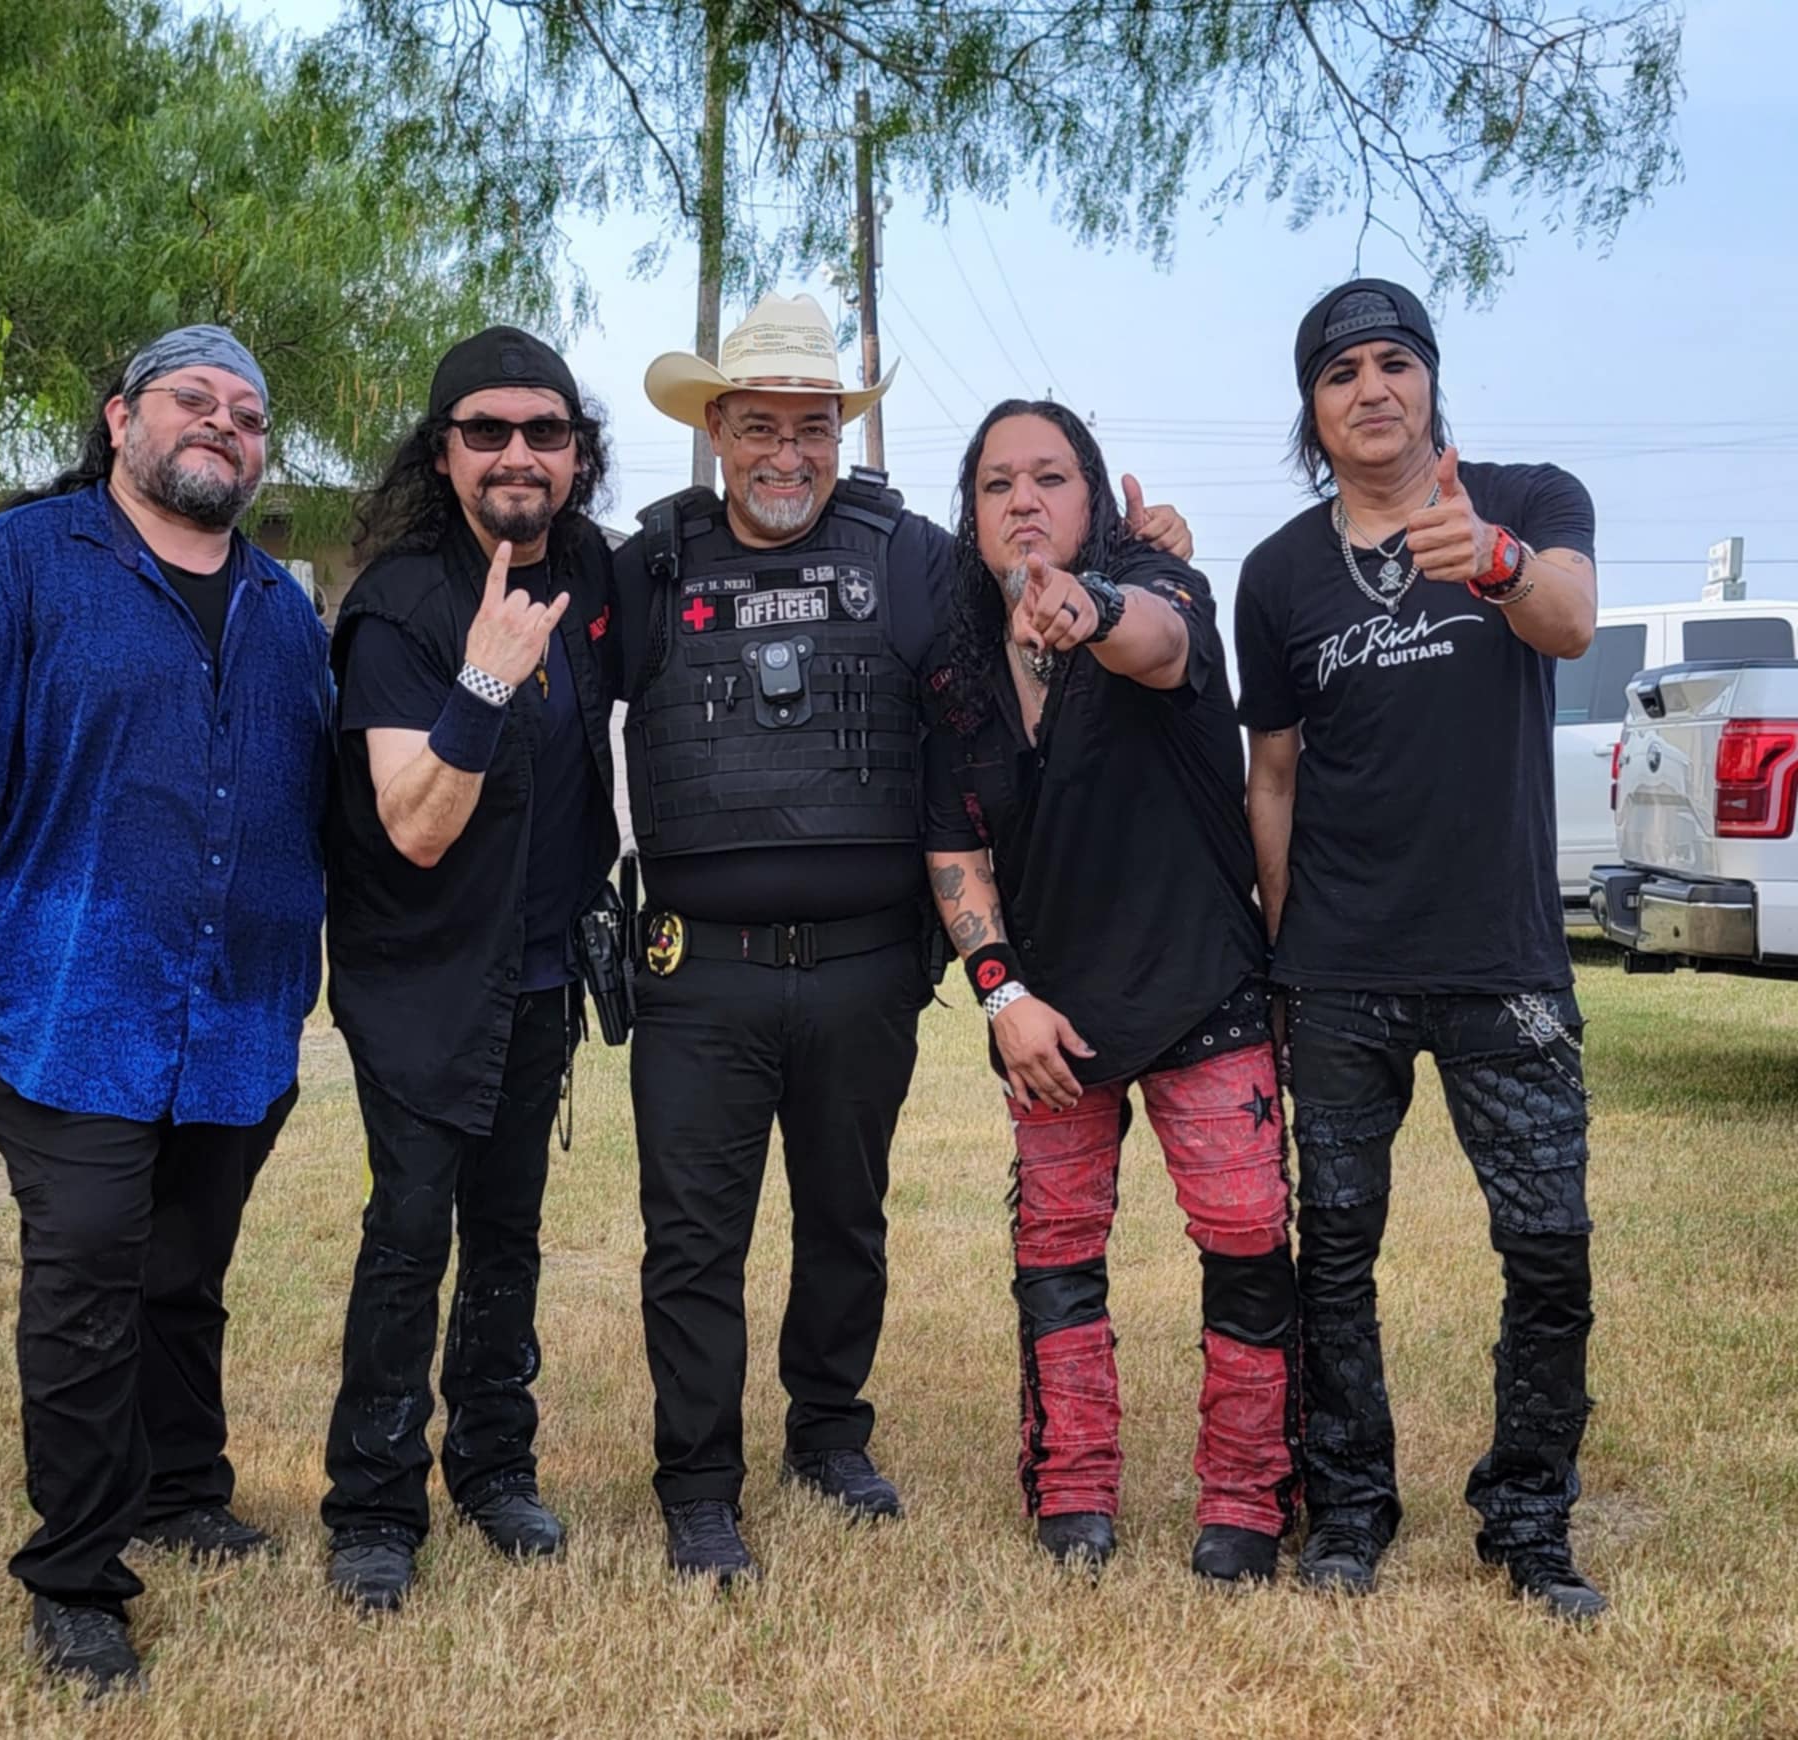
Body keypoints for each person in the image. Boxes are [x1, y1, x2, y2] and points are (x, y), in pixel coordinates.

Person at [616, 294, 1193, 1584]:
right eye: (758, 427)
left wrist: (1141, 550)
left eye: (811, 428)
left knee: (845, 1220)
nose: (785, 454)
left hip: (865, 968)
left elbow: (1025, 591)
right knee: (693, 1242)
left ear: (838, 434)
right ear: (715, 431)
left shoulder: (909, 554)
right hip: (696, 976)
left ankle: (827, 1435)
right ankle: (698, 1485)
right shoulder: (647, 562)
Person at [0, 326, 330, 1695]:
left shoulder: (285, 609)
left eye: (249, 414)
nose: (224, 425)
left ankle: (181, 1489)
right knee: (86, 1279)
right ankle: (75, 1581)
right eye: (195, 400)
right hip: (65, 1001)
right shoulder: (19, 562)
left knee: (185, 1269)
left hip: (237, 1015)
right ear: (122, 416)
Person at [1234, 278, 1605, 1620]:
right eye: (1339, 373)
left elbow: (1571, 619)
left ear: (1431, 379)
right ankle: (1349, 1508)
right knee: (1335, 1254)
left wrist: (1493, 561)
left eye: (1394, 361)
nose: (1371, 388)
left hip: (1506, 962)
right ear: (1313, 411)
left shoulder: (1527, 500)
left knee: (1547, 1249)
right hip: (1341, 970)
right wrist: (1282, 954)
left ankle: (1528, 1519)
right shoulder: (1277, 574)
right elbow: (1273, 776)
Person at [923, 400, 1297, 1580]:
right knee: (1055, 1252)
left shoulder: (1156, 584)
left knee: (1244, 1238)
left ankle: (1244, 1495)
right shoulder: (955, 665)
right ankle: (1072, 1486)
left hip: (1200, 987)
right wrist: (1000, 996)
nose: (1022, 500)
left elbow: (1160, 644)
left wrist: (1086, 608)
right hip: (1049, 1015)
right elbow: (953, 851)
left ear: (1091, 495)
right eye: (996, 484)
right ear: (971, 512)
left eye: (1049, 476)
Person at [319, 328, 619, 1613]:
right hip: (420, 976)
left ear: (577, 454)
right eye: (485, 430)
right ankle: (372, 1506)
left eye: (543, 431)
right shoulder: (399, 606)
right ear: (440, 454)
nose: (515, 454)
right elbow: (415, 825)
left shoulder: (597, 573)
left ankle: (494, 1469)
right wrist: (485, 683)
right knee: (407, 1235)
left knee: (508, 1235)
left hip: (540, 974)